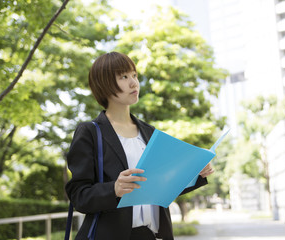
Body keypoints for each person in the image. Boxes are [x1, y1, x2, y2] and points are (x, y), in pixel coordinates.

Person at [65, 52, 214, 240]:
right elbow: (79, 196)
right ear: (104, 84)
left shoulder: (149, 132)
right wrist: (114, 189)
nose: (134, 83)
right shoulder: (90, 132)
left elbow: (163, 185)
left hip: (152, 235)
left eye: (134, 75)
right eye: (124, 77)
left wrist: (195, 173)